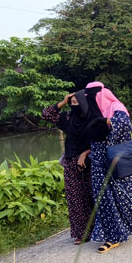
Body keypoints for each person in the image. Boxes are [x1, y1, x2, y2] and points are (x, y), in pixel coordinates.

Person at [83, 81, 132, 253]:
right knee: (104, 197)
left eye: (90, 96)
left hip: (118, 159)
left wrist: (107, 122)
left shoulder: (115, 107)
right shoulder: (91, 112)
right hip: (98, 162)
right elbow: (91, 136)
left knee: (129, 192)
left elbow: (122, 127)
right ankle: (113, 236)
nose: (88, 99)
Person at [42, 90, 94, 245]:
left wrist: (86, 153)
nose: (73, 105)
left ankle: (100, 227)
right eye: (72, 103)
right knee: (75, 199)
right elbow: (46, 114)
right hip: (72, 163)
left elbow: (102, 138)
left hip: (91, 161)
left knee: (93, 195)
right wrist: (63, 102)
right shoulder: (68, 118)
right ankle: (82, 233)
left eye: (76, 102)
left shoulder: (92, 117)